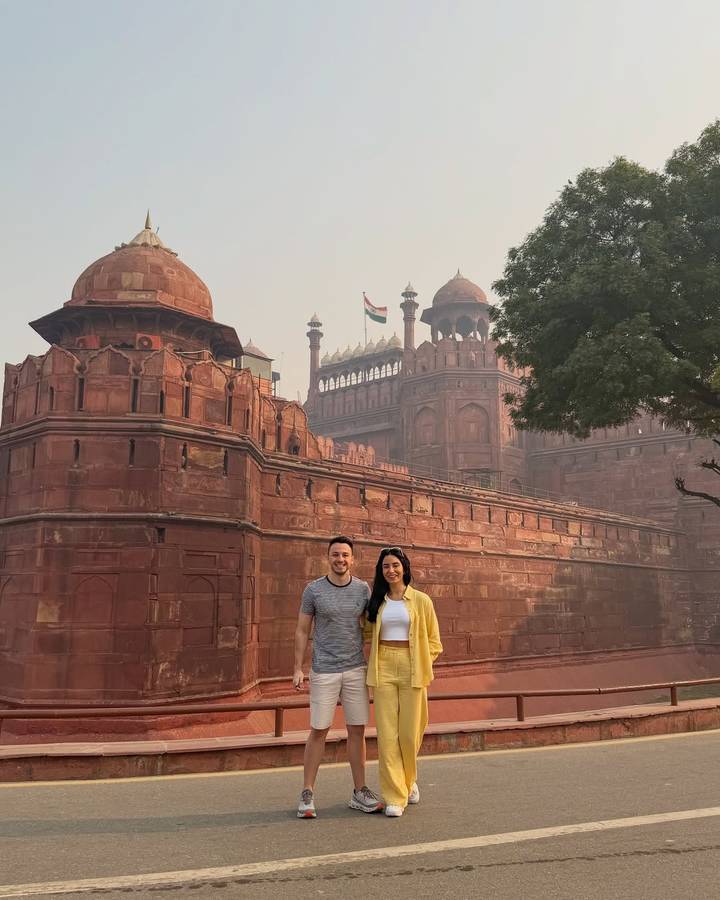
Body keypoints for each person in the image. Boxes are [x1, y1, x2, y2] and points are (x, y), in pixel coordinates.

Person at [293, 535, 384, 818]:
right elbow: (302, 630)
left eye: (345, 555)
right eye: (335, 554)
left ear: (352, 559)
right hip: (324, 669)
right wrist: (297, 668)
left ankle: (360, 791)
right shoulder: (314, 590)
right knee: (319, 730)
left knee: (357, 730)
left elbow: (374, 624)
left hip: (355, 668)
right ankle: (307, 792)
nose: (340, 559)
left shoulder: (362, 589)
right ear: (328, 557)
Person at [365, 546, 442, 817]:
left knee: (410, 734)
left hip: (413, 667)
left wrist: (421, 661)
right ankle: (394, 796)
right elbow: (366, 633)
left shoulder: (421, 601)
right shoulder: (376, 602)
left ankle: (409, 780)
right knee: (387, 736)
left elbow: (434, 641)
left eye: (395, 565)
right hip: (384, 666)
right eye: (386, 566)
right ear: (381, 571)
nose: (391, 570)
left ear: (405, 568)